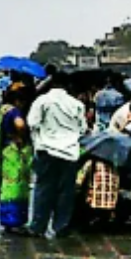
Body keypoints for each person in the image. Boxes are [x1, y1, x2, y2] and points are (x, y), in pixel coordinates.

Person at [27, 75, 87, 239]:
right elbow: (82, 129)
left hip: (47, 150)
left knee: (44, 189)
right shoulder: (77, 104)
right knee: (66, 192)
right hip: (70, 153)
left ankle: (38, 226)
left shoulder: (42, 101)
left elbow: (32, 123)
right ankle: (61, 226)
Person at [0, 84, 34, 234]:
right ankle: (15, 220)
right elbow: (20, 125)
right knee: (16, 186)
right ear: (18, 100)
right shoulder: (14, 111)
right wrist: (21, 136)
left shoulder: (2, 110)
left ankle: (7, 219)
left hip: (5, 151)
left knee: (7, 185)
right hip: (15, 153)